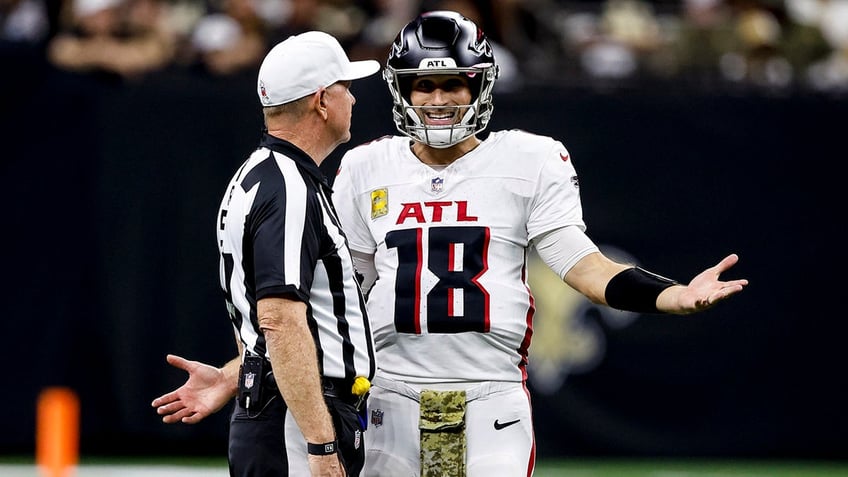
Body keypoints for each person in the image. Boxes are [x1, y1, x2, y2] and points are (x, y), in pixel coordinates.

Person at [152, 11, 748, 477]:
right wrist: (238, 370)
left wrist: (670, 297)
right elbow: (330, 303)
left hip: (488, 398)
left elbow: (580, 263)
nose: (436, 101)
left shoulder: (530, 158)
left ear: (479, 85)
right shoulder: (364, 166)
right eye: (422, 86)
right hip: (387, 397)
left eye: (452, 85)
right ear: (400, 90)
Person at [158, 30, 379, 477]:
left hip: (281, 413)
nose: (353, 100)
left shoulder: (260, 175)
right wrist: (320, 445)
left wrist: (229, 375)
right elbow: (278, 320)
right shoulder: (289, 187)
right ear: (320, 101)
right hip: (295, 423)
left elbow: (269, 326)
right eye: (346, 88)